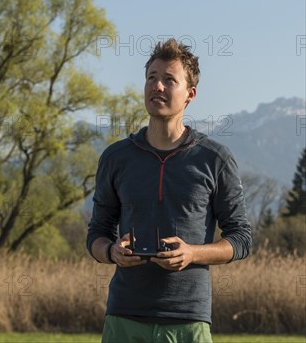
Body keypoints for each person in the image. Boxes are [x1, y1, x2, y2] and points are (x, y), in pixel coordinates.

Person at [86, 38, 252, 343]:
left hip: (188, 319)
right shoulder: (116, 157)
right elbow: (96, 233)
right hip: (124, 315)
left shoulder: (215, 159)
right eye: (151, 78)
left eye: (168, 80)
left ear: (190, 94)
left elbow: (241, 238)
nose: (157, 87)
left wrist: (192, 253)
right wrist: (112, 251)